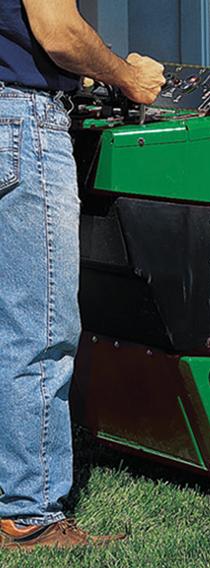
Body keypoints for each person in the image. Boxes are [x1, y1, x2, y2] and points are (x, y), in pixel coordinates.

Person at [0, 0, 165, 549]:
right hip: (19, 121)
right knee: (39, 327)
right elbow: (58, 32)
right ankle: (30, 514)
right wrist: (128, 76)